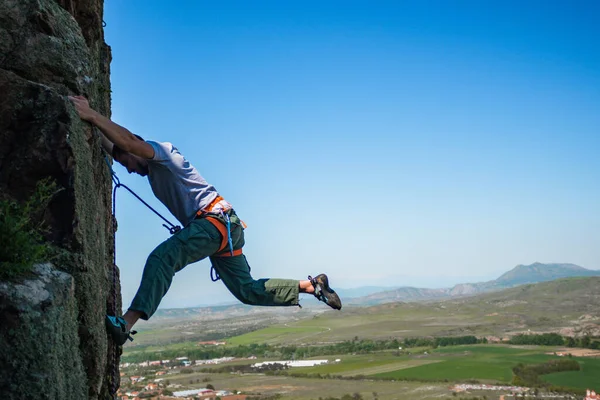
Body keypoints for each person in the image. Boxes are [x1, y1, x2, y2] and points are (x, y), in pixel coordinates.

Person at [68, 96, 342, 345]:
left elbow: (126, 142)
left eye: (126, 162)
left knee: (162, 258)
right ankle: (310, 286)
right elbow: (119, 145)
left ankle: (124, 324)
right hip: (224, 226)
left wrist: (90, 114)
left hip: (213, 223)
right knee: (246, 291)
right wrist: (96, 130)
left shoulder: (160, 152)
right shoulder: (152, 170)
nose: (127, 169)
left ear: (136, 149)